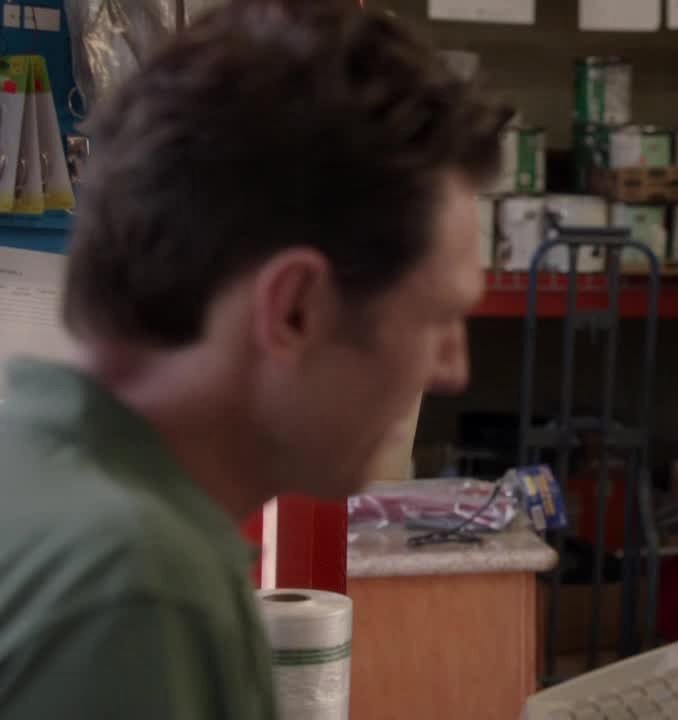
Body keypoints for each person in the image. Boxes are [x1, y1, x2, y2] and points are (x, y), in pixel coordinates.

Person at [0, 3, 508, 717]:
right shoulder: (138, 593)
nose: (453, 368)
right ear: (295, 309)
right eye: (434, 317)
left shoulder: (30, 467)